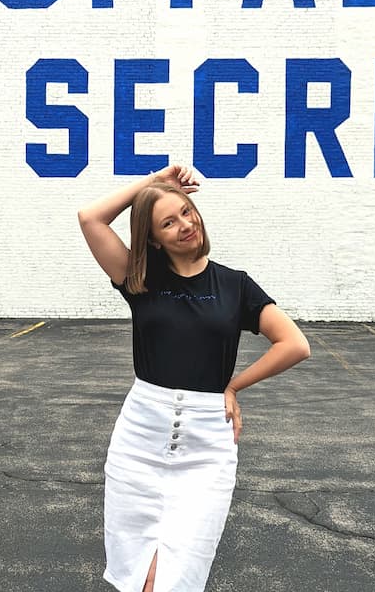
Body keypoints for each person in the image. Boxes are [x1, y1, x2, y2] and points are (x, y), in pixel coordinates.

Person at [77, 164, 311, 592]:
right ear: (153, 238)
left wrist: (234, 385)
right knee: (140, 573)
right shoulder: (139, 278)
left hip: (207, 446)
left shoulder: (234, 286)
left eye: (187, 212)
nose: (185, 225)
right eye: (169, 222)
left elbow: (294, 344)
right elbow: (90, 218)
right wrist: (152, 183)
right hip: (140, 438)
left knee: (179, 575)